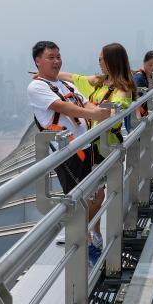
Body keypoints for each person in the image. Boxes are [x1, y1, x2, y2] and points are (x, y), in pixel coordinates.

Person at [28, 40, 110, 265]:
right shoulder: (37, 87)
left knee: (97, 194)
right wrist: (94, 116)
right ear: (38, 61)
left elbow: (84, 103)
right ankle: (83, 251)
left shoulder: (66, 86)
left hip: (85, 146)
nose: (56, 61)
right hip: (67, 154)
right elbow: (62, 107)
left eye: (58, 56)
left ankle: (90, 238)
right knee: (80, 201)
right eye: (50, 57)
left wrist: (100, 111)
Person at [56, 43, 136, 159]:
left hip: (107, 145)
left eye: (100, 59)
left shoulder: (123, 89)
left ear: (111, 61)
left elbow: (115, 112)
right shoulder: (100, 81)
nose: (99, 62)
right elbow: (73, 78)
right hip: (92, 143)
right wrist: (48, 75)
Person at [133, 50, 153, 117]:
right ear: (144, 62)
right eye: (150, 65)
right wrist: (139, 120)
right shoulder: (139, 78)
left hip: (143, 113)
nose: (152, 68)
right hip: (137, 116)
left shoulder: (147, 75)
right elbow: (134, 100)